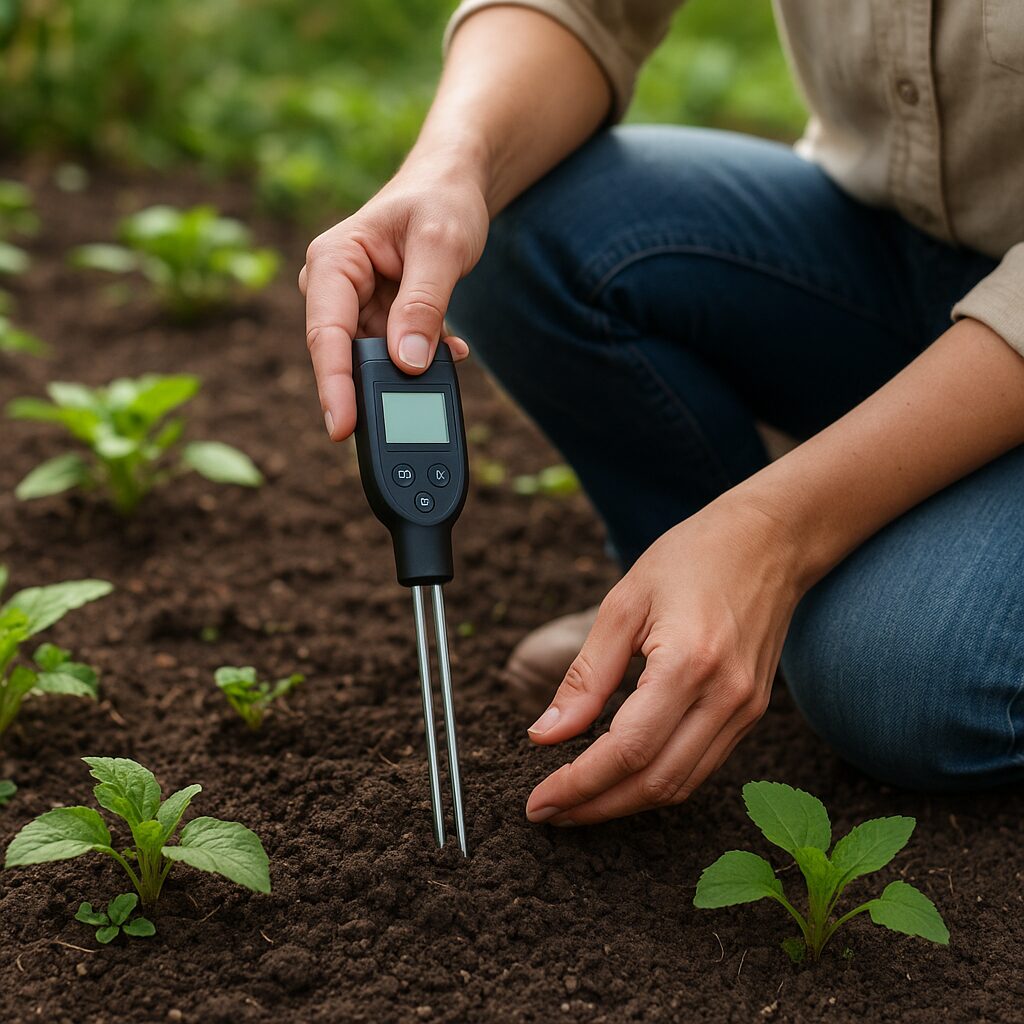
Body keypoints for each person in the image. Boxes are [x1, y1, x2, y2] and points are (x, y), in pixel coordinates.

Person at [299, 3, 1024, 828]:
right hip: (892, 246)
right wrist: (453, 168)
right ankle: (695, 616)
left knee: (897, 678)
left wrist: (776, 530)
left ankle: (782, 591)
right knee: (526, 228)